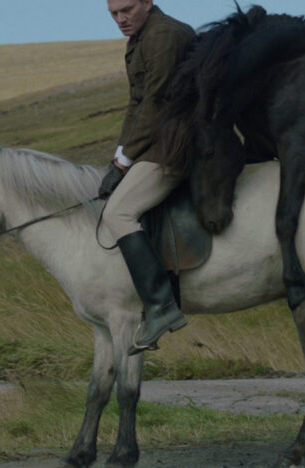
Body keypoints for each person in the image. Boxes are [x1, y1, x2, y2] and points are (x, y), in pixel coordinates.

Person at [99, 0, 195, 355]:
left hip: (177, 146)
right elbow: (135, 104)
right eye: (113, 13)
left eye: (127, 9)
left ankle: (161, 306)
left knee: (117, 213)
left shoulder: (165, 36)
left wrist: (125, 160)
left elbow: (156, 103)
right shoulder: (141, 38)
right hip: (157, 143)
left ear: (147, 3)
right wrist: (119, 155)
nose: (120, 19)